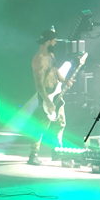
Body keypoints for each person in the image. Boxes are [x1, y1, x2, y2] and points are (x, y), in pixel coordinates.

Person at [29, 29, 74, 166]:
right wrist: (48, 101)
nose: (55, 43)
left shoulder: (50, 55)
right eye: (54, 41)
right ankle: (33, 154)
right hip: (46, 96)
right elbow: (39, 84)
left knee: (60, 123)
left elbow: (55, 71)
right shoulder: (38, 59)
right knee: (42, 125)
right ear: (48, 42)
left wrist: (65, 81)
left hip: (56, 93)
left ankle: (57, 151)